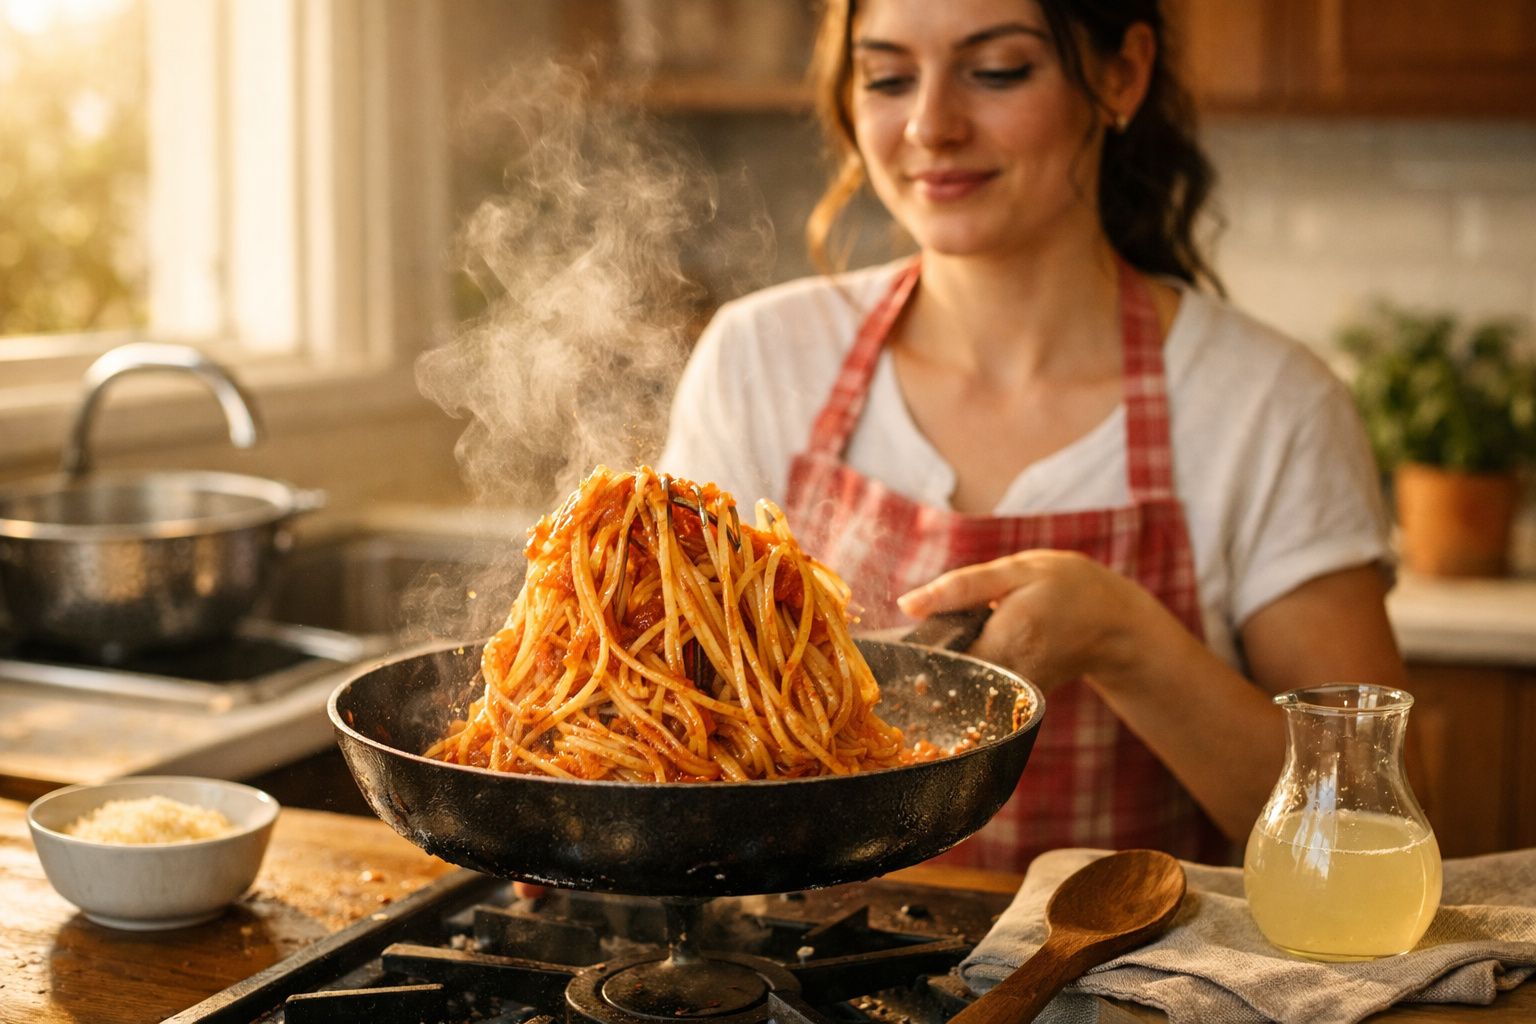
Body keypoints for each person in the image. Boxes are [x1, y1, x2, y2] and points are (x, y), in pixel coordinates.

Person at [657, 0, 1407, 869]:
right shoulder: (761, 357)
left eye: (998, 70)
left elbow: (1362, 830)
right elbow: (674, 710)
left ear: (1121, 74)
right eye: (889, 78)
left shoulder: (1268, 404)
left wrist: (1127, 644)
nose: (931, 126)